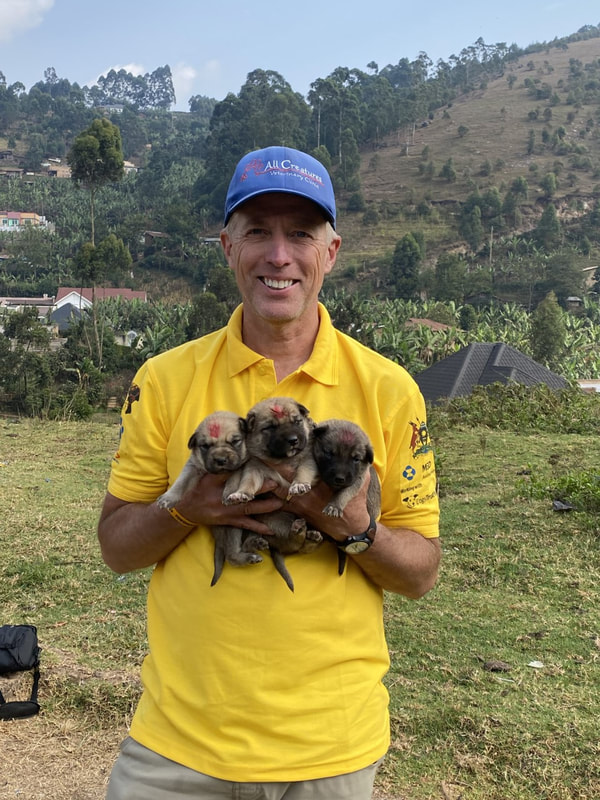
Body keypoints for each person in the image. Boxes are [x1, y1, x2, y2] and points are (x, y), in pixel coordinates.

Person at [98, 145, 440, 800]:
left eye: (300, 234)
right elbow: (116, 549)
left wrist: (349, 524)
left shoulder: (391, 392)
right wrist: (187, 508)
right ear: (228, 246)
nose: (278, 255)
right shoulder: (165, 381)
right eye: (258, 231)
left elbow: (420, 573)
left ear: (330, 252)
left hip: (327, 751)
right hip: (177, 746)